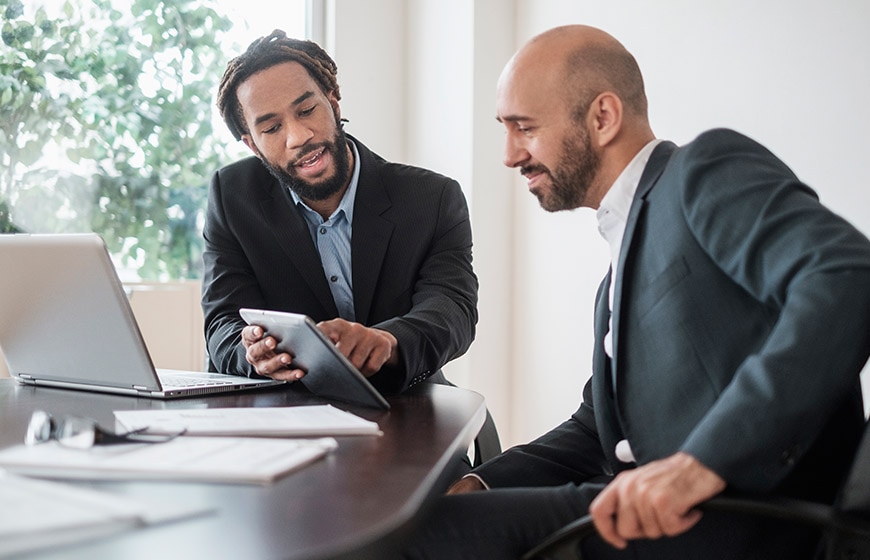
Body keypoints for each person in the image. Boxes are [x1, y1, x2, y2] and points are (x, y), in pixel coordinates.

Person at [402, 24, 870, 559]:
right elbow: (596, 427)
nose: (510, 155)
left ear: (602, 117)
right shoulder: (614, 278)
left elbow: (846, 276)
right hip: (651, 514)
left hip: (738, 521)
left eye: (524, 128)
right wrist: (485, 483)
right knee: (438, 513)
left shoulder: (702, 171)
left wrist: (703, 463)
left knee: (417, 535)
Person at [202, 30, 478, 395]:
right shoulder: (232, 196)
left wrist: (387, 341)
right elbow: (222, 322)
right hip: (284, 411)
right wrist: (251, 352)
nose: (298, 136)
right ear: (253, 144)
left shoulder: (432, 198)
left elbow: (452, 309)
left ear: (333, 103)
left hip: (404, 406)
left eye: (306, 110)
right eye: (272, 128)